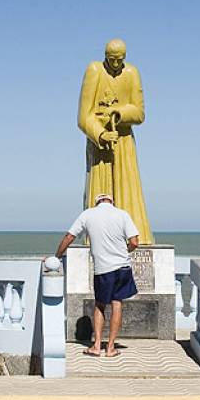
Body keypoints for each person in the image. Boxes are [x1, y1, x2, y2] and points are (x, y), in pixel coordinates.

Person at [78, 39, 153, 244]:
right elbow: (83, 116)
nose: (116, 65)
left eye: (120, 60)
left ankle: (135, 238)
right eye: (112, 60)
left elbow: (139, 113)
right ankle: (98, 239)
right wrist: (101, 134)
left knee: (128, 190)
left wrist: (119, 113)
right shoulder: (94, 70)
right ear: (105, 56)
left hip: (124, 140)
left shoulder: (131, 73)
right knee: (101, 191)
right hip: (100, 141)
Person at [53, 193, 139, 357]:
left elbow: (69, 236)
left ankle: (97, 346)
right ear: (111, 202)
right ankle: (111, 348)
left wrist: (57, 256)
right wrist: (124, 252)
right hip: (123, 267)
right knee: (117, 304)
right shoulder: (122, 214)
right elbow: (134, 242)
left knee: (100, 305)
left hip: (103, 269)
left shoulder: (87, 214)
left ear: (97, 202)